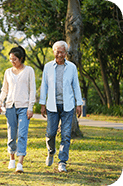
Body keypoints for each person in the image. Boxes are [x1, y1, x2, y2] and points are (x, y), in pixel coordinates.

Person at [39, 41, 83, 172]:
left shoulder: (72, 67)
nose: (59, 54)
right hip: (52, 106)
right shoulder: (47, 67)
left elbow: (76, 86)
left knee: (65, 135)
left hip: (68, 106)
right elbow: (44, 85)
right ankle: (51, 151)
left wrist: (79, 103)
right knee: (50, 133)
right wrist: (42, 104)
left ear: (66, 53)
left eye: (62, 52)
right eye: (57, 51)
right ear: (53, 52)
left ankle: (62, 161)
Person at [0, 46, 36, 173]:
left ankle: (20, 163)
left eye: (14, 59)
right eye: (10, 59)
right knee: (11, 135)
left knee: (22, 134)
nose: (12, 61)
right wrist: (0, 102)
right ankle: (12, 158)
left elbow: (32, 90)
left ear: (21, 58)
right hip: (10, 107)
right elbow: (5, 89)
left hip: (24, 107)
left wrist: (30, 107)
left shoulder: (29, 70)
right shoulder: (8, 72)